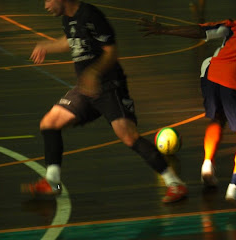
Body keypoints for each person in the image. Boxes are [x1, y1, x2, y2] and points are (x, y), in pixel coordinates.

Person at [21, 0, 187, 203]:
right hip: (85, 90)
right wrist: (47, 46)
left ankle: (175, 183)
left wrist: (94, 71)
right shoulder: (68, 18)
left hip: (109, 87)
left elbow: (111, 52)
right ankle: (53, 183)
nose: (45, 6)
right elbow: (71, 40)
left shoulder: (91, 15)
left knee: (129, 137)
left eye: (47, 0)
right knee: (49, 123)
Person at [138, 0, 236, 207]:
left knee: (218, 119)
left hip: (211, 74)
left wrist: (164, 29)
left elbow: (201, 31)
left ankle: (207, 164)